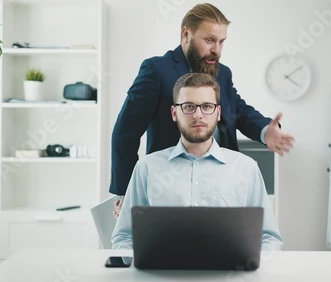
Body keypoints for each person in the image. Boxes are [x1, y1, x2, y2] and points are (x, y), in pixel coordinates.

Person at [111, 3, 295, 216]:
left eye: (221, 42)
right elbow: (125, 132)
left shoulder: (223, 73)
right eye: (209, 40)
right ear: (186, 34)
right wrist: (127, 192)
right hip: (170, 186)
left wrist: (265, 130)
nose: (216, 49)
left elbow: (239, 110)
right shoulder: (157, 70)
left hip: (220, 184)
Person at [111, 73, 283, 251]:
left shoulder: (246, 168)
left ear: (218, 113)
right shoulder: (147, 168)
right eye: (189, 106)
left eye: (207, 106)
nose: (198, 115)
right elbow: (124, 236)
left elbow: (269, 238)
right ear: (174, 113)